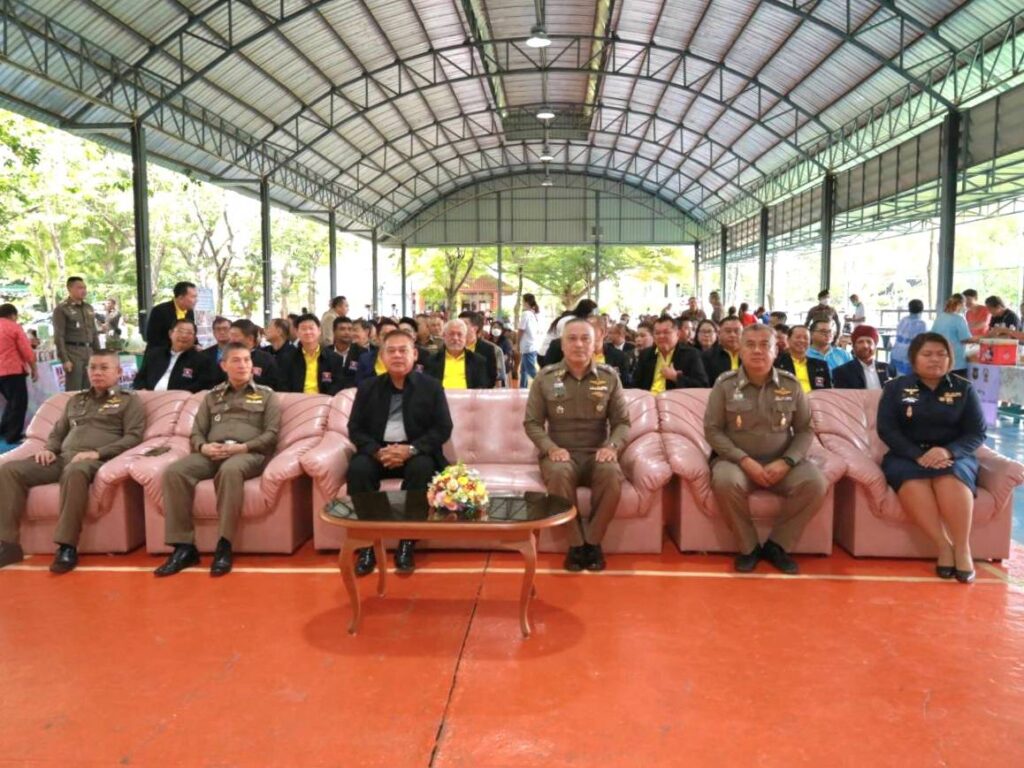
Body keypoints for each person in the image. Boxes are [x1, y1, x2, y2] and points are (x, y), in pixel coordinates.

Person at [0, 350, 145, 572]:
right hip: (62, 458)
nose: (97, 372)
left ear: (118, 372)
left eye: (104, 368)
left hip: (96, 461)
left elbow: (134, 437)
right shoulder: (76, 400)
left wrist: (97, 453)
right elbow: (58, 432)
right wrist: (49, 449)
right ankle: (8, 545)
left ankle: (67, 546)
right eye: (93, 367)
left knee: (75, 470)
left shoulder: (129, 401)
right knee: (9, 470)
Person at [704, 324, 827, 574]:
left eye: (764, 345)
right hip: (736, 462)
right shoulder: (725, 385)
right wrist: (744, 460)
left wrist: (788, 461)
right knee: (725, 481)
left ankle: (777, 545)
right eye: (750, 345)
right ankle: (749, 548)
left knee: (816, 483)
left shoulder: (791, 385)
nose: (757, 351)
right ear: (740, 349)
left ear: (776, 350)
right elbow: (713, 430)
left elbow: (805, 430)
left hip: (781, 461)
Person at [154, 343, 281, 577]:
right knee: (174, 472)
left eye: (247, 360)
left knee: (230, 471)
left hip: (248, 454)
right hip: (212, 452)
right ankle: (183, 547)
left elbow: (271, 435)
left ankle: (224, 545)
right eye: (236, 360)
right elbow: (196, 432)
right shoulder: (211, 396)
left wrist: (243, 447)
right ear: (224, 366)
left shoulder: (267, 395)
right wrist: (203, 447)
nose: (243, 365)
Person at [878, 332, 986, 583]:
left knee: (950, 479)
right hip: (907, 455)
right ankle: (943, 546)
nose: (935, 359)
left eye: (941, 354)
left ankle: (962, 548)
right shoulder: (896, 388)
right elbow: (887, 430)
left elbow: (977, 432)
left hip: (953, 455)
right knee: (913, 482)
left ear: (950, 359)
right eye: (927, 354)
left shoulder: (963, 388)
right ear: (914, 359)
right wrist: (917, 455)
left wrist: (948, 452)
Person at [524, 318, 630, 572]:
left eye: (585, 339)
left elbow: (622, 423)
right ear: (562, 344)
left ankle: (593, 542)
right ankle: (575, 545)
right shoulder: (545, 378)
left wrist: (612, 447)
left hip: (597, 453)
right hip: (559, 453)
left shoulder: (609, 377)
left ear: (596, 344)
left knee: (612, 474)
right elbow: (532, 423)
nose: (579, 344)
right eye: (572, 339)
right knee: (559, 473)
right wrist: (551, 448)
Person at [347, 328, 454, 576]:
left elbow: (443, 428)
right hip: (378, 452)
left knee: (423, 468)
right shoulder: (367, 387)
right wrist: (376, 451)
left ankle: (407, 542)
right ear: (382, 357)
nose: (397, 356)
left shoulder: (431, 387)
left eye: (403, 350)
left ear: (414, 354)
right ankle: (367, 544)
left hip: (416, 451)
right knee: (358, 469)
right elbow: (355, 428)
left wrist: (412, 449)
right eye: (391, 351)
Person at [133, 319, 213, 392]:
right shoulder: (155, 355)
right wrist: (143, 391)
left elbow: (203, 386)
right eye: (180, 331)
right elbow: (139, 379)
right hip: (148, 398)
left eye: (189, 333)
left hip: (180, 401)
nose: (184, 336)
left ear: (194, 338)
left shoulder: (202, 360)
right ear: (170, 333)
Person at [632, 315, 708, 391]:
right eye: (657, 333)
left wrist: (676, 377)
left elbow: (702, 385)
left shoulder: (691, 354)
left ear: (677, 334)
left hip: (675, 397)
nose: (661, 336)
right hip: (648, 397)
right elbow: (635, 385)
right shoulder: (646, 354)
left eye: (666, 332)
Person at [52, 276, 100, 391]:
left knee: (91, 389)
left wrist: (99, 354)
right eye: (79, 288)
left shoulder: (88, 308)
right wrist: (65, 359)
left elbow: (94, 332)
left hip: (89, 352)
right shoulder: (62, 308)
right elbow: (59, 336)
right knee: (75, 390)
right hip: (73, 353)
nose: (83, 290)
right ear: (70, 289)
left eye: (84, 288)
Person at [0, 304, 38, 445]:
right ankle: (13, 435)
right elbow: (26, 351)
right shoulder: (13, 327)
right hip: (12, 370)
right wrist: (34, 368)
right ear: (12, 315)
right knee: (18, 403)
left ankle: (4, 429)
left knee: (11, 402)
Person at [283, 314, 346, 395]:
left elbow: (337, 385)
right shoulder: (287, 358)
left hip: (324, 401)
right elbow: (283, 386)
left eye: (311, 328)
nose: (308, 332)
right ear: (297, 333)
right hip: (296, 400)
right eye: (303, 329)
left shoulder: (334, 359)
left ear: (319, 331)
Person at [423, 319, 489, 389]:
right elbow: (427, 387)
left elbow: (481, 387)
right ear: (444, 336)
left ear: (465, 337)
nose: (455, 338)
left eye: (459, 334)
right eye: (451, 334)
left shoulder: (477, 361)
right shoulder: (432, 360)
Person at [832, 325, 896, 389]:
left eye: (869, 342)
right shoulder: (841, 372)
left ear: (875, 346)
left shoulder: (888, 369)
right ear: (853, 347)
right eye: (860, 342)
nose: (865, 346)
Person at [227, 319, 281, 390]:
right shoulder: (227, 358)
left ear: (250, 339)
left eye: (235, 336)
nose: (231, 340)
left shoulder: (267, 359)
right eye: (230, 335)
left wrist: (249, 378)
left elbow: (275, 385)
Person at [775, 325, 831, 392]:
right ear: (788, 340)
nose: (802, 340)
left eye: (806, 338)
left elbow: (827, 391)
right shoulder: (777, 363)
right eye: (798, 337)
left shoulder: (820, 365)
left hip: (816, 398)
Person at [145, 281, 197, 350]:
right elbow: (153, 338)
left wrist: (196, 345)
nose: (196, 300)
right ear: (181, 298)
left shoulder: (189, 312)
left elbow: (191, 333)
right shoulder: (160, 311)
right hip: (160, 353)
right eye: (193, 297)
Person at [931, 294, 973, 377]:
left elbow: (933, 336)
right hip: (956, 363)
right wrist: (982, 338)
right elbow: (965, 339)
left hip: (942, 360)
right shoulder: (958, 319)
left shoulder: (940, 317)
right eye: (964, 305)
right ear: (960, 304)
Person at [459, 311, 499, 388]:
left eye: (464, 324)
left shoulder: (487, 349)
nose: (460, 328)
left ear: (475, 328)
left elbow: (491, 377)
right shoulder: (452, 347)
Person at [355, 318, 399, 383]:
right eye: (385, 335)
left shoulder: (403, 359)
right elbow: (359, 385)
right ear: (377, 337)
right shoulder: (365, 359)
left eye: (393, 335)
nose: (389, 338)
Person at [326, 315, 365, 390]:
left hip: (353, 393)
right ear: (334, 331)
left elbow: (362, 379)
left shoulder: (362, 353)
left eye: (350, 329)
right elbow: (325, 378)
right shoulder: (326, 352)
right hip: (329, 393)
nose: (347, 332)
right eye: (342, 329)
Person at [890, 299, 928, 375]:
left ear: (909, 308)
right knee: (908, 379)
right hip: (909, 356)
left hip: (896, 353)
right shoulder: (922, 324)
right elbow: (922, 342)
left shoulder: (903, 320)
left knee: (898, 378)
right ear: (922, 309)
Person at [702, 316, 743, 384]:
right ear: (719, 334)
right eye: (728, 331)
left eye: (737, 331)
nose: (732, 335)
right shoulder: (707, 357)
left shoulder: (750, 355)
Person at [517, 293, 542, 388]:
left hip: (527, 347)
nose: (522, 303)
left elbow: (521, 330)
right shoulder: (534, 313)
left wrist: (517, 344)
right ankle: (522, 388)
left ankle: (545, 386)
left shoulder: (526, 314)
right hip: (532, 345)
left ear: (526, 302)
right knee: (523, 370)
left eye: (523, 301)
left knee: (531, 371)